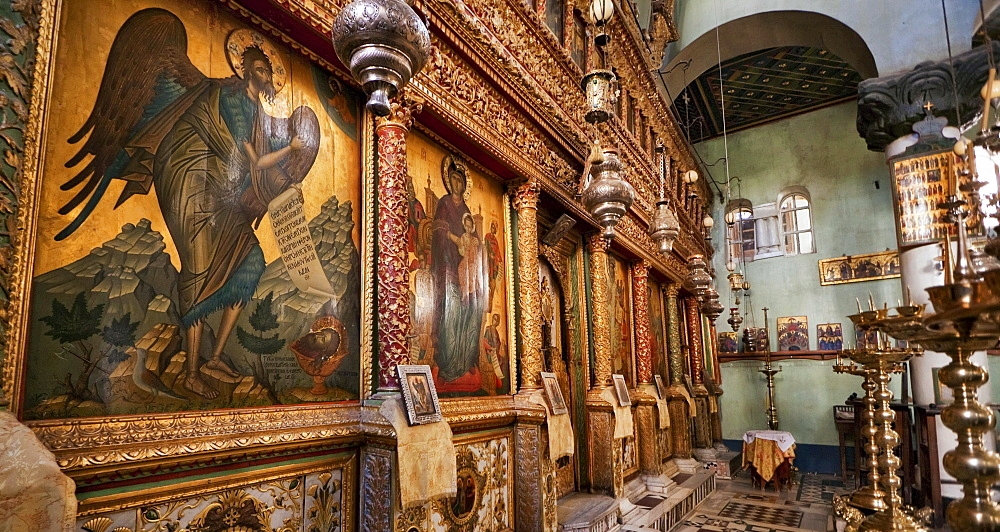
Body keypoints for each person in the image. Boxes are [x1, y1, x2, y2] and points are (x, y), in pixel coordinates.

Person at [58, 11, 320, 399]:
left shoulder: (260, 117)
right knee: (197, 271)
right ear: (246, 70)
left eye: (270, 72)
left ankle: (214, 357)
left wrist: (286, 182)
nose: (269, 79)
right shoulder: (226, 98)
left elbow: (257, 174)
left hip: (224, 196)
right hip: (191, 185)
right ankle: (191, 370)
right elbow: (254, 162)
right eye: (262, 70)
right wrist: (292, 149)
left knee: (250, 261)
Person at [430, 159, 488, 384]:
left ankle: (464, 362)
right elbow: (439, 228)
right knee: (450, 314)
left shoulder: (466, 210)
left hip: (467, 274)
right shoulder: (444, 203)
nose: (456, 183)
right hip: (448, 266)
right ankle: (448, 363)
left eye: (460, 180)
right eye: (453, 178)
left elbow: (473, 238)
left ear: (464, 186)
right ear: (449, 182)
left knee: (468, 314)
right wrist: (455, 239)